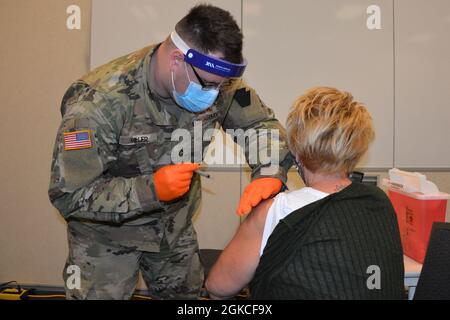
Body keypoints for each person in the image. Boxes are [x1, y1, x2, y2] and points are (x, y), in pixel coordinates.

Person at [48, 4, 293, 299]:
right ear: (177, 60)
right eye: (209, 85)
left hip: (173, 233)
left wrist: (269, 171)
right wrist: (152, 190)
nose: (215, 94)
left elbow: (259, 124)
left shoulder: (213, 81)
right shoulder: (98, 102)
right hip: (103, 244)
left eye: (222, 85)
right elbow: (69, 194)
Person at [206, 87, 405, 300]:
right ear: (357, 149)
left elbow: (218, 287)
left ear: (296, 152)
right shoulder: (380, 201)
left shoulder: (276, 211)